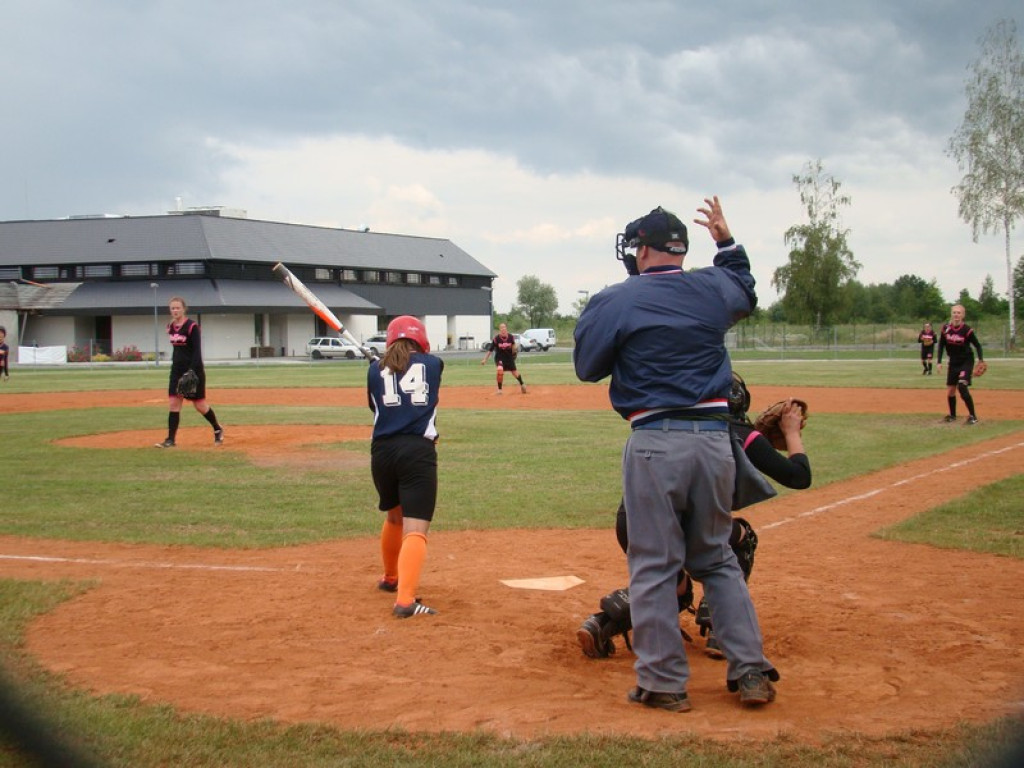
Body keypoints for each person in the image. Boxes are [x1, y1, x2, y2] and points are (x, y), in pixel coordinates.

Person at [574, 197, 776, 712]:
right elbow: (744, 289)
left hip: (655, 441)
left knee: (655, 564)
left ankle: (663, 682)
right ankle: (750, 670)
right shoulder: (712, 286)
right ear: (681, 249)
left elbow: (587, 366)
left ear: (642, 251)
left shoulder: (618, 299)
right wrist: (727, 243)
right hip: (714, 441)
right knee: (716, 557)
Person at [577, 373, 812, 661]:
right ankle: (718, 627)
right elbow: (799, 477)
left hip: (632, 522)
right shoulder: (734, 431)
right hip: (691, 525)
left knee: (669, 585)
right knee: (740, 538)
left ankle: (601, 623)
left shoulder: (664, 424)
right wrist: (791, 433)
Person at [368, 316, 445, 618]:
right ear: (421, 339)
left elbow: (377, 407)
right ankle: (405, 601)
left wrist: (381, 368)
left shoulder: (373, 370)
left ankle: (391, 578)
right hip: (416, 451)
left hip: (382, 453)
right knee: (416, 528)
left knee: (395, 516)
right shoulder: (434, 363)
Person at [155, 297, 224, 448]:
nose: (175, 311)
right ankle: (170, 439)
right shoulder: (170, 327)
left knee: (199, 405)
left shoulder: (192, 327)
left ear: (184, 309)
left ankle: (217, 428)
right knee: (174, 403)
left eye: (178, 308)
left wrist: (191, 372)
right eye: (172, 308)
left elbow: (197, 352)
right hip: (176, 370)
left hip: (193, 370)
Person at [936, 304, 984, 425]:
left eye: (959, 313)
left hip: (966, 361)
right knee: (951, 390)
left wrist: (981, 360)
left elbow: (977, 345)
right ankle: (952, 416)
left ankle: (973, 416)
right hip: (953, 361)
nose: (956, 315)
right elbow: (941, 345)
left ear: (963, 315)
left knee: (962, 386)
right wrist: (939, 362)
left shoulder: (967, 330)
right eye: (954, 312)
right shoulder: (945, 329)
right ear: (951, 314)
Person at [480, 323, 527, 394]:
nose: (503, 329)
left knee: (515, 373)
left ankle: (522, 384)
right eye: (501, 328)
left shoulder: (511, 337)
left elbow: (513, 345)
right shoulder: (496, 339)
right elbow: (490, 350)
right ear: (500, 330)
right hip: (499, 358)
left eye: (504, 327)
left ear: (506, 328)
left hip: (509, 358)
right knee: (500, 370)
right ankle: (499, 390)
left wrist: (514, 352)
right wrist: (485, 359)